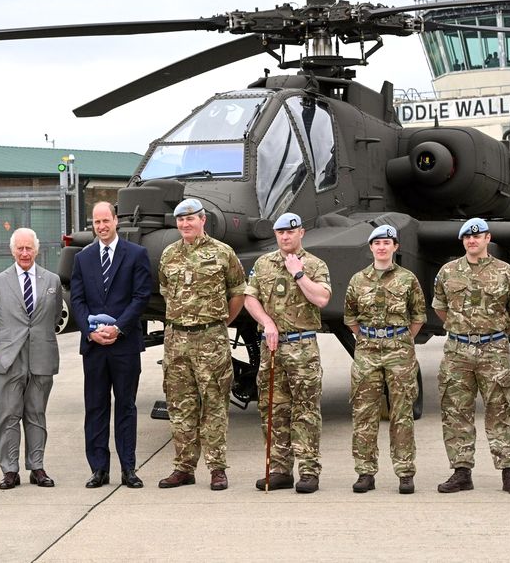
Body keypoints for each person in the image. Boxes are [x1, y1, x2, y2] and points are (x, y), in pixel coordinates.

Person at [432, 217, 510, 495]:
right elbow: (440, 307)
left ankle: (509, 472)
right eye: (467, 237)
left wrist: (497, 331)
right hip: (458, 350)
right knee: (455, 410)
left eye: (477, 236)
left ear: (488, 238)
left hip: (493, 350)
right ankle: (461, 471)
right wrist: (461, 328)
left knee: (501, 409)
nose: (472, 240)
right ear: (463, 241)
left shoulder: (506, 272)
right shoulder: (448, 272)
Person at [157, 198, 245, 491]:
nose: (185, 224)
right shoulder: (169, 254)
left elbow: (238, 291)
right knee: (180, 405)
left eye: (190, 218)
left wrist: (221, 322)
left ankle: (217, 468)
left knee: (214, 404)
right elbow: (166, 291)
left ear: (203, 220)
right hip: (176, 341)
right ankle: (184, 468)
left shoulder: (222, 253)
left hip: (211, 340)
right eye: (181, 220)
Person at [244, 212, 331, 494]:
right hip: (272, 346)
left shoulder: (314, 264)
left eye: (290, 232)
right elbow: (250, 298)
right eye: (281, 232)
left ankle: (308, 471)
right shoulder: (263, 264)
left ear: (301, 233)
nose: (285, 237)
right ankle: (279, 470)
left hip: (302, 346)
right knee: (273, 407)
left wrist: (299, 274)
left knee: (306, 409)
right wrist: (267, 322)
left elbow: (322, 298)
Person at [70, 202, 152, 489]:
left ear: (116, 220)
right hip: (94, 347)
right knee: (95, 408)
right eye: (97, 222)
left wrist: (118, 328)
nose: (102, 226)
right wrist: (90, 331)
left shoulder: (136, 254)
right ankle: (98, 469)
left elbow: (141, 297)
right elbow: (77, 299)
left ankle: (128, 469)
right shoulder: (83, 258)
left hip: (124, 345)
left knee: (126, 407)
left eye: (106, 220)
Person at [343, 224, 425, 494]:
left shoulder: (407, 279)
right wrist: (368, 337)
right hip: (367, 351)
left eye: (387, 243)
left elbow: (418, 316)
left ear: (395, 247)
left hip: (399, 350)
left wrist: (400, 338)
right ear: (371, 247)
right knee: (364, 413)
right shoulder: (358, 280)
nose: (381, 247)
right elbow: (350, 318)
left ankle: (405, 472)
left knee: (402, 413)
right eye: (377, 243)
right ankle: (365, 472)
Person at [0, 228, 63, 490]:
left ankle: (37, 467)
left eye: (29, 248)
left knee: (36, 413)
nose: (25, 253)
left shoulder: (52, 281)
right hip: (9, 358)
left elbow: (54, 317)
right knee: (8, 415)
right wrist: (12, 341)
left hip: (41, 355)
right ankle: (10, 470)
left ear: (36, 250)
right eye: (20, 248)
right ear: (12, 251)